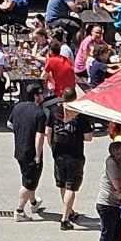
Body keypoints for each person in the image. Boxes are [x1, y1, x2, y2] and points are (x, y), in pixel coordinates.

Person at [48, 90, 89, 229]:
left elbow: (48, 132)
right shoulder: (80, 115)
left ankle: (69, 211)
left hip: (58, 154)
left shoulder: (54, 111)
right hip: (75, 155)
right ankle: (65, 219)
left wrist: (52, 147)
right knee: (71, 186)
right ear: (75, 98)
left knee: (62, 184)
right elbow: (89, 137)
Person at [9, 86, 49, 222]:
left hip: (19, 149)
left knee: (28, 177)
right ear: (36, 96)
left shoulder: (17, 107)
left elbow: (10, 124)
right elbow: (39, 136)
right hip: (30, 152)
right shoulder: (40, 113)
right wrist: (38, 155)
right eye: (41, 94)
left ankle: (33, 203)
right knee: (28, 182)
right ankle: (19, 210)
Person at [94, 132, 121, 241]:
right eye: (120, 153)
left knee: (118, 233)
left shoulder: (120, 162)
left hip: (115, 203)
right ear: (113, 152)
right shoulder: (111, 163)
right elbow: (118, 185)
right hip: (107, 204)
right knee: (107, 233)